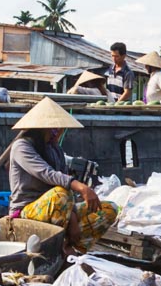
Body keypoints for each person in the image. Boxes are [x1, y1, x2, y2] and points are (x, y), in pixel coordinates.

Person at [7, 97, 118, 250]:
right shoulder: (22, 146)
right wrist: (82, 187)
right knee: (60, 194)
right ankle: (59, 248)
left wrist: (73, 220)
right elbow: (47, 174)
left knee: (109, 208)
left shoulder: (55, 149)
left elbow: (65, 190)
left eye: (61, 129)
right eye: (55, 128)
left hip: (60, 207)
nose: (59, 132)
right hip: (26, 211)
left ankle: (74, 248)